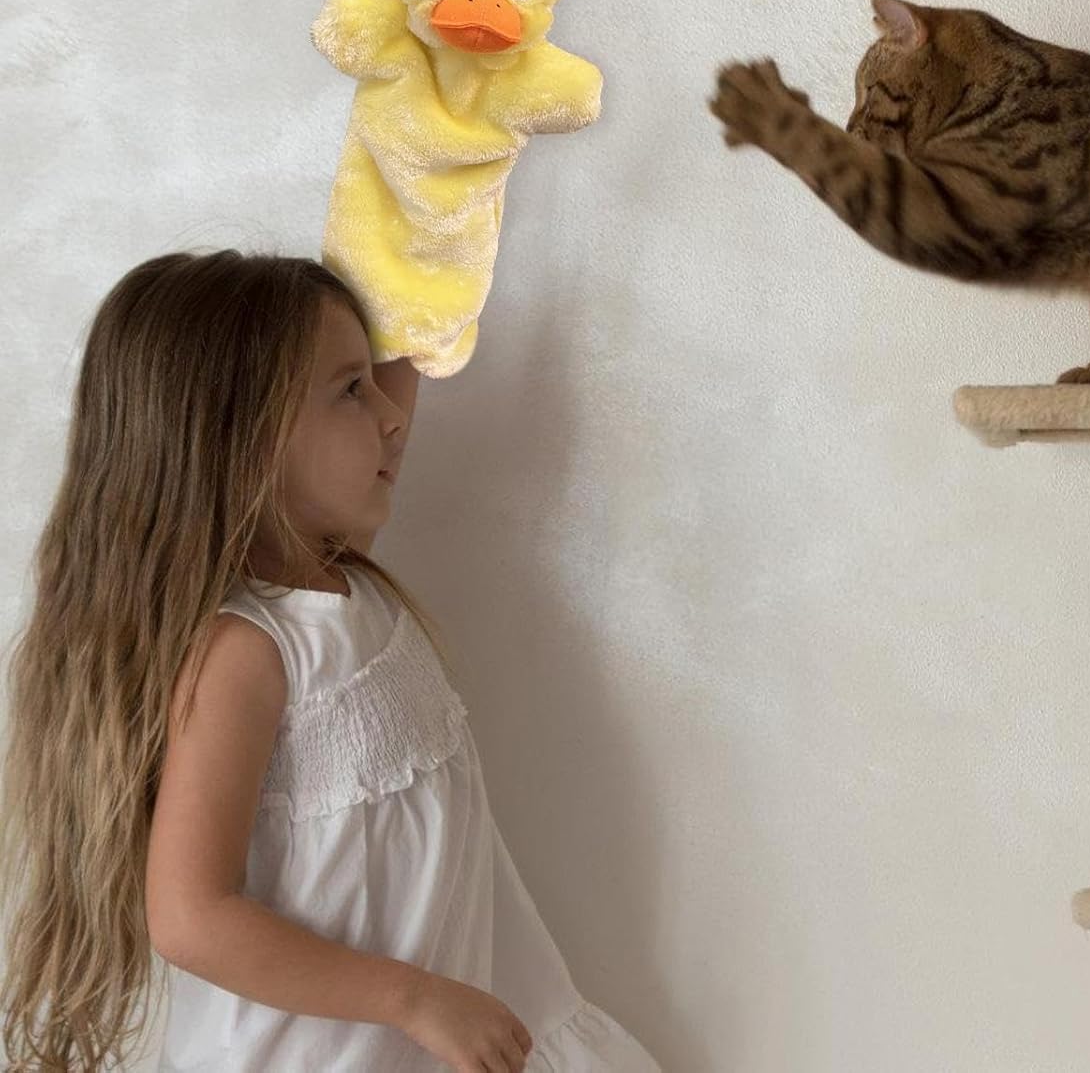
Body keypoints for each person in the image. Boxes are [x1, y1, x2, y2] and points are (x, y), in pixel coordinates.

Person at [0, 249, 661, 1072]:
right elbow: (190, 917)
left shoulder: (339, 579)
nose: (392, 418)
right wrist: (413, 998)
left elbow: (402, 347)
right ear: (243, 441)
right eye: (352, 390)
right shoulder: (247, 654)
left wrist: (430, 207)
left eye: (374, 386)